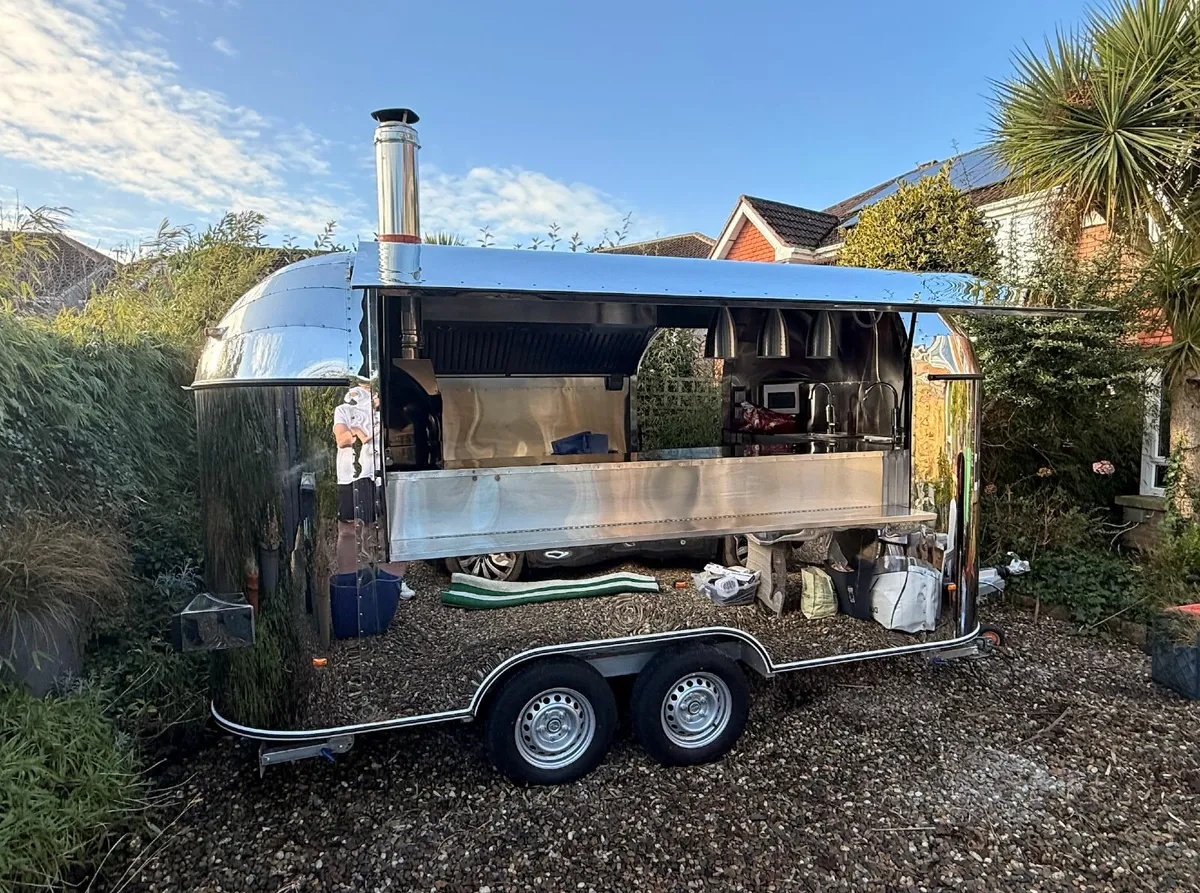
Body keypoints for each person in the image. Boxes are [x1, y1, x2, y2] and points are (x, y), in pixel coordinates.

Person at [333, 386, 413, 597]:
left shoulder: (382, 412)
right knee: (348, 530)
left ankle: (390, 580)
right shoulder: (342, 410)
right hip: (351, 475)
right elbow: (342, 439)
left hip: (379, 476)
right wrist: (361, 433)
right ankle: (348, 580)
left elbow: (403, 430)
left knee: (380, 529)